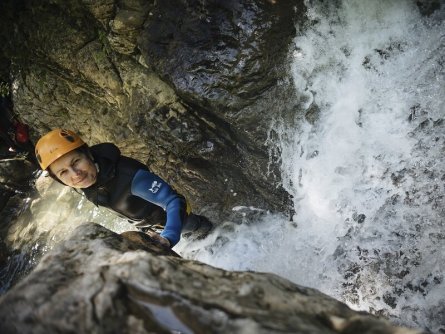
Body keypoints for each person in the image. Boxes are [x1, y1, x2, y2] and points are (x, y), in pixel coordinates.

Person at [35, 129, 212, 248]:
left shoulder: (129, 176)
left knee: (203, 232)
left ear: (88, 154)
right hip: (150, 227)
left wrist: (168, 237)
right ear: (59, 179)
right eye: (64, 172)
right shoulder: (90, 178)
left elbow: (174, 201)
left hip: (180, 221)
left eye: (76, 162)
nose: (75, 174)